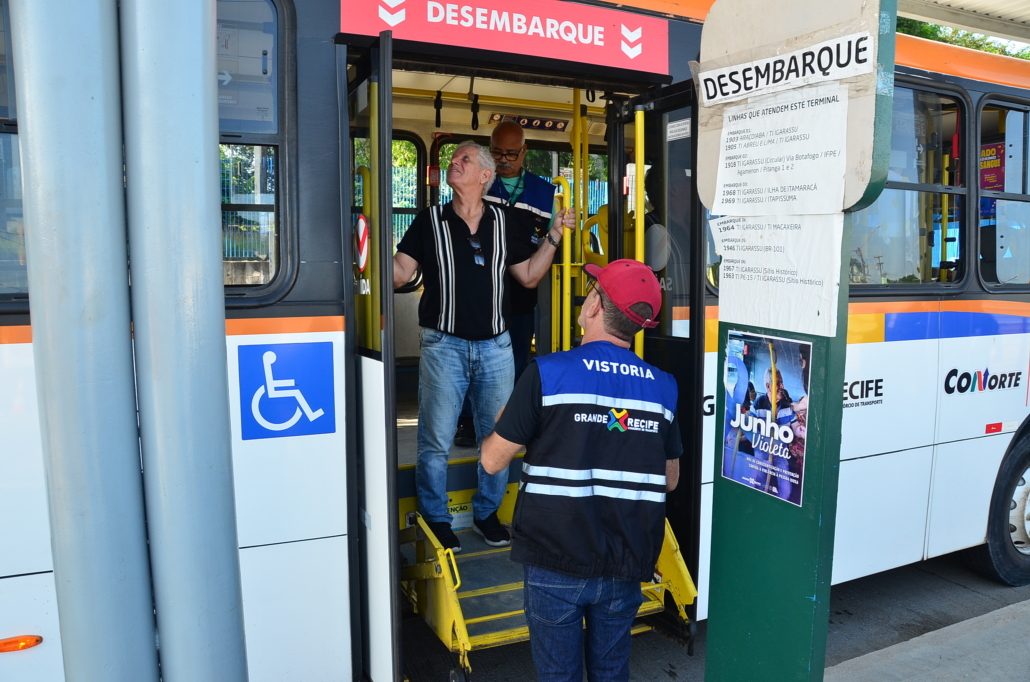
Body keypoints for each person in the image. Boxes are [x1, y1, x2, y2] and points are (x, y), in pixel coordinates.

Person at [481, 259, 681, 682]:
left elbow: (492, 460)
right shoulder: (663, 386)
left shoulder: (547, 373)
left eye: (591, 290)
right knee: (611, 671)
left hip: (555, 562)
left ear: (594, 306)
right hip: (626, 562)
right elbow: (669, 479)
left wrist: (506, 423)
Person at [393, 141, 572, 553]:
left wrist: (554, 236)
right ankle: (436, 519)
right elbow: (401, 271)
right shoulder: (430, 220)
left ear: (484, 176)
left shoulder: (505, 222)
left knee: (497, 437)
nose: (454, 163)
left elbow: (529, 275)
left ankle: (487, 513)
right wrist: (367, 254)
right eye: (453, 159)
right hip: (443, 345)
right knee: (435, 440)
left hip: (496, 347)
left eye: (464, 160)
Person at [453, 120, 558, 447]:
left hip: (521, 293)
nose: (503, 160)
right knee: (472, 358)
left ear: (524, 152)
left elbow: (551, 241)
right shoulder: (478, 182)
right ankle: (468, 421)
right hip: (479, 292)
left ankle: (508, 422)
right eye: (497, 153)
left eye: (511, 154)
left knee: (515, 359)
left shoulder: (544, 193)